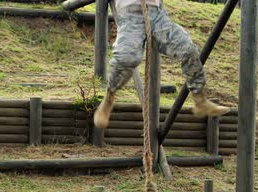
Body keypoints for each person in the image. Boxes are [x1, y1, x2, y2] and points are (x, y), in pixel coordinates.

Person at [94, 0, 230, 129]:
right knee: (127, 58)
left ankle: (199, 99)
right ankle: (108, 99)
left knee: (188, 50)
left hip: (156, 14)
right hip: (129, 13)